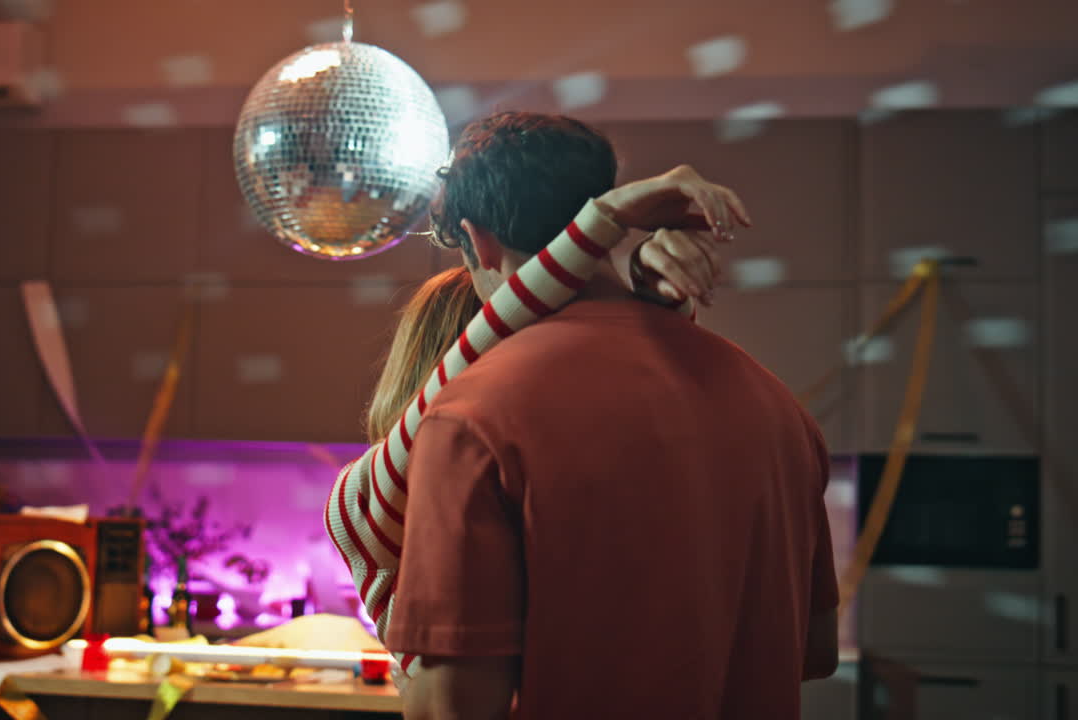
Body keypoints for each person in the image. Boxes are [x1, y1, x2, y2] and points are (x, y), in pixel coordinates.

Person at [377, 112, 838, 720]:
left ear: (478, 239)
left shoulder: (470, 418)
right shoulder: (776, 407)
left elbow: (455, 709)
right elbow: (816, 650)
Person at [327, 188, 732, 683]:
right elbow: (475, 362)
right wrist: (602, 227)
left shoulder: (382, 500)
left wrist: (652, 294)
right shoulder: (368, 491)